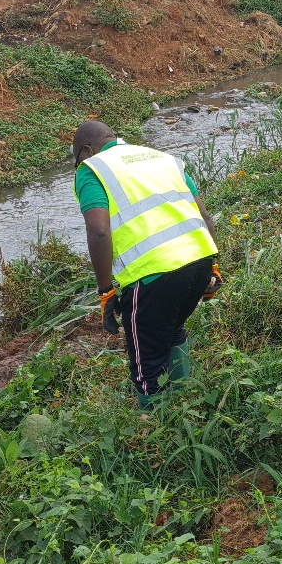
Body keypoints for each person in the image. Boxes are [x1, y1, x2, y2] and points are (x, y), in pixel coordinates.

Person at [72, 121, 222, 408]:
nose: (77, 165)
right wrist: (212, 267)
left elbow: (99, 231)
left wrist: (105, 291)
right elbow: (204, 215)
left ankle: (155, 425)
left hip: (152, 276)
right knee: (172, 327)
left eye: (76, 158)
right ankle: (184, 401)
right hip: (199, 263)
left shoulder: (91, 169)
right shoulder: (163, 158)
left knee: (146, 362)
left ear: (87, 151)